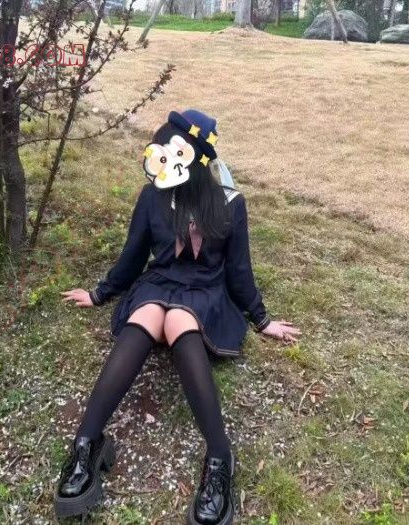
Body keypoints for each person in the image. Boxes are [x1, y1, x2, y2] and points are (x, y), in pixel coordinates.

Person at [55, 109, 300, 524]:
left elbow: (239, 271)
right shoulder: (153, 195)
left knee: (178, 322)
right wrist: (100, 293)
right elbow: (134, 254)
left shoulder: (229, 202)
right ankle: (87, 443)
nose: (162, 162)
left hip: (204, 291)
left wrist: (262, 320)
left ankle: (220, 457)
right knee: (144, 317)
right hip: (160, 282)